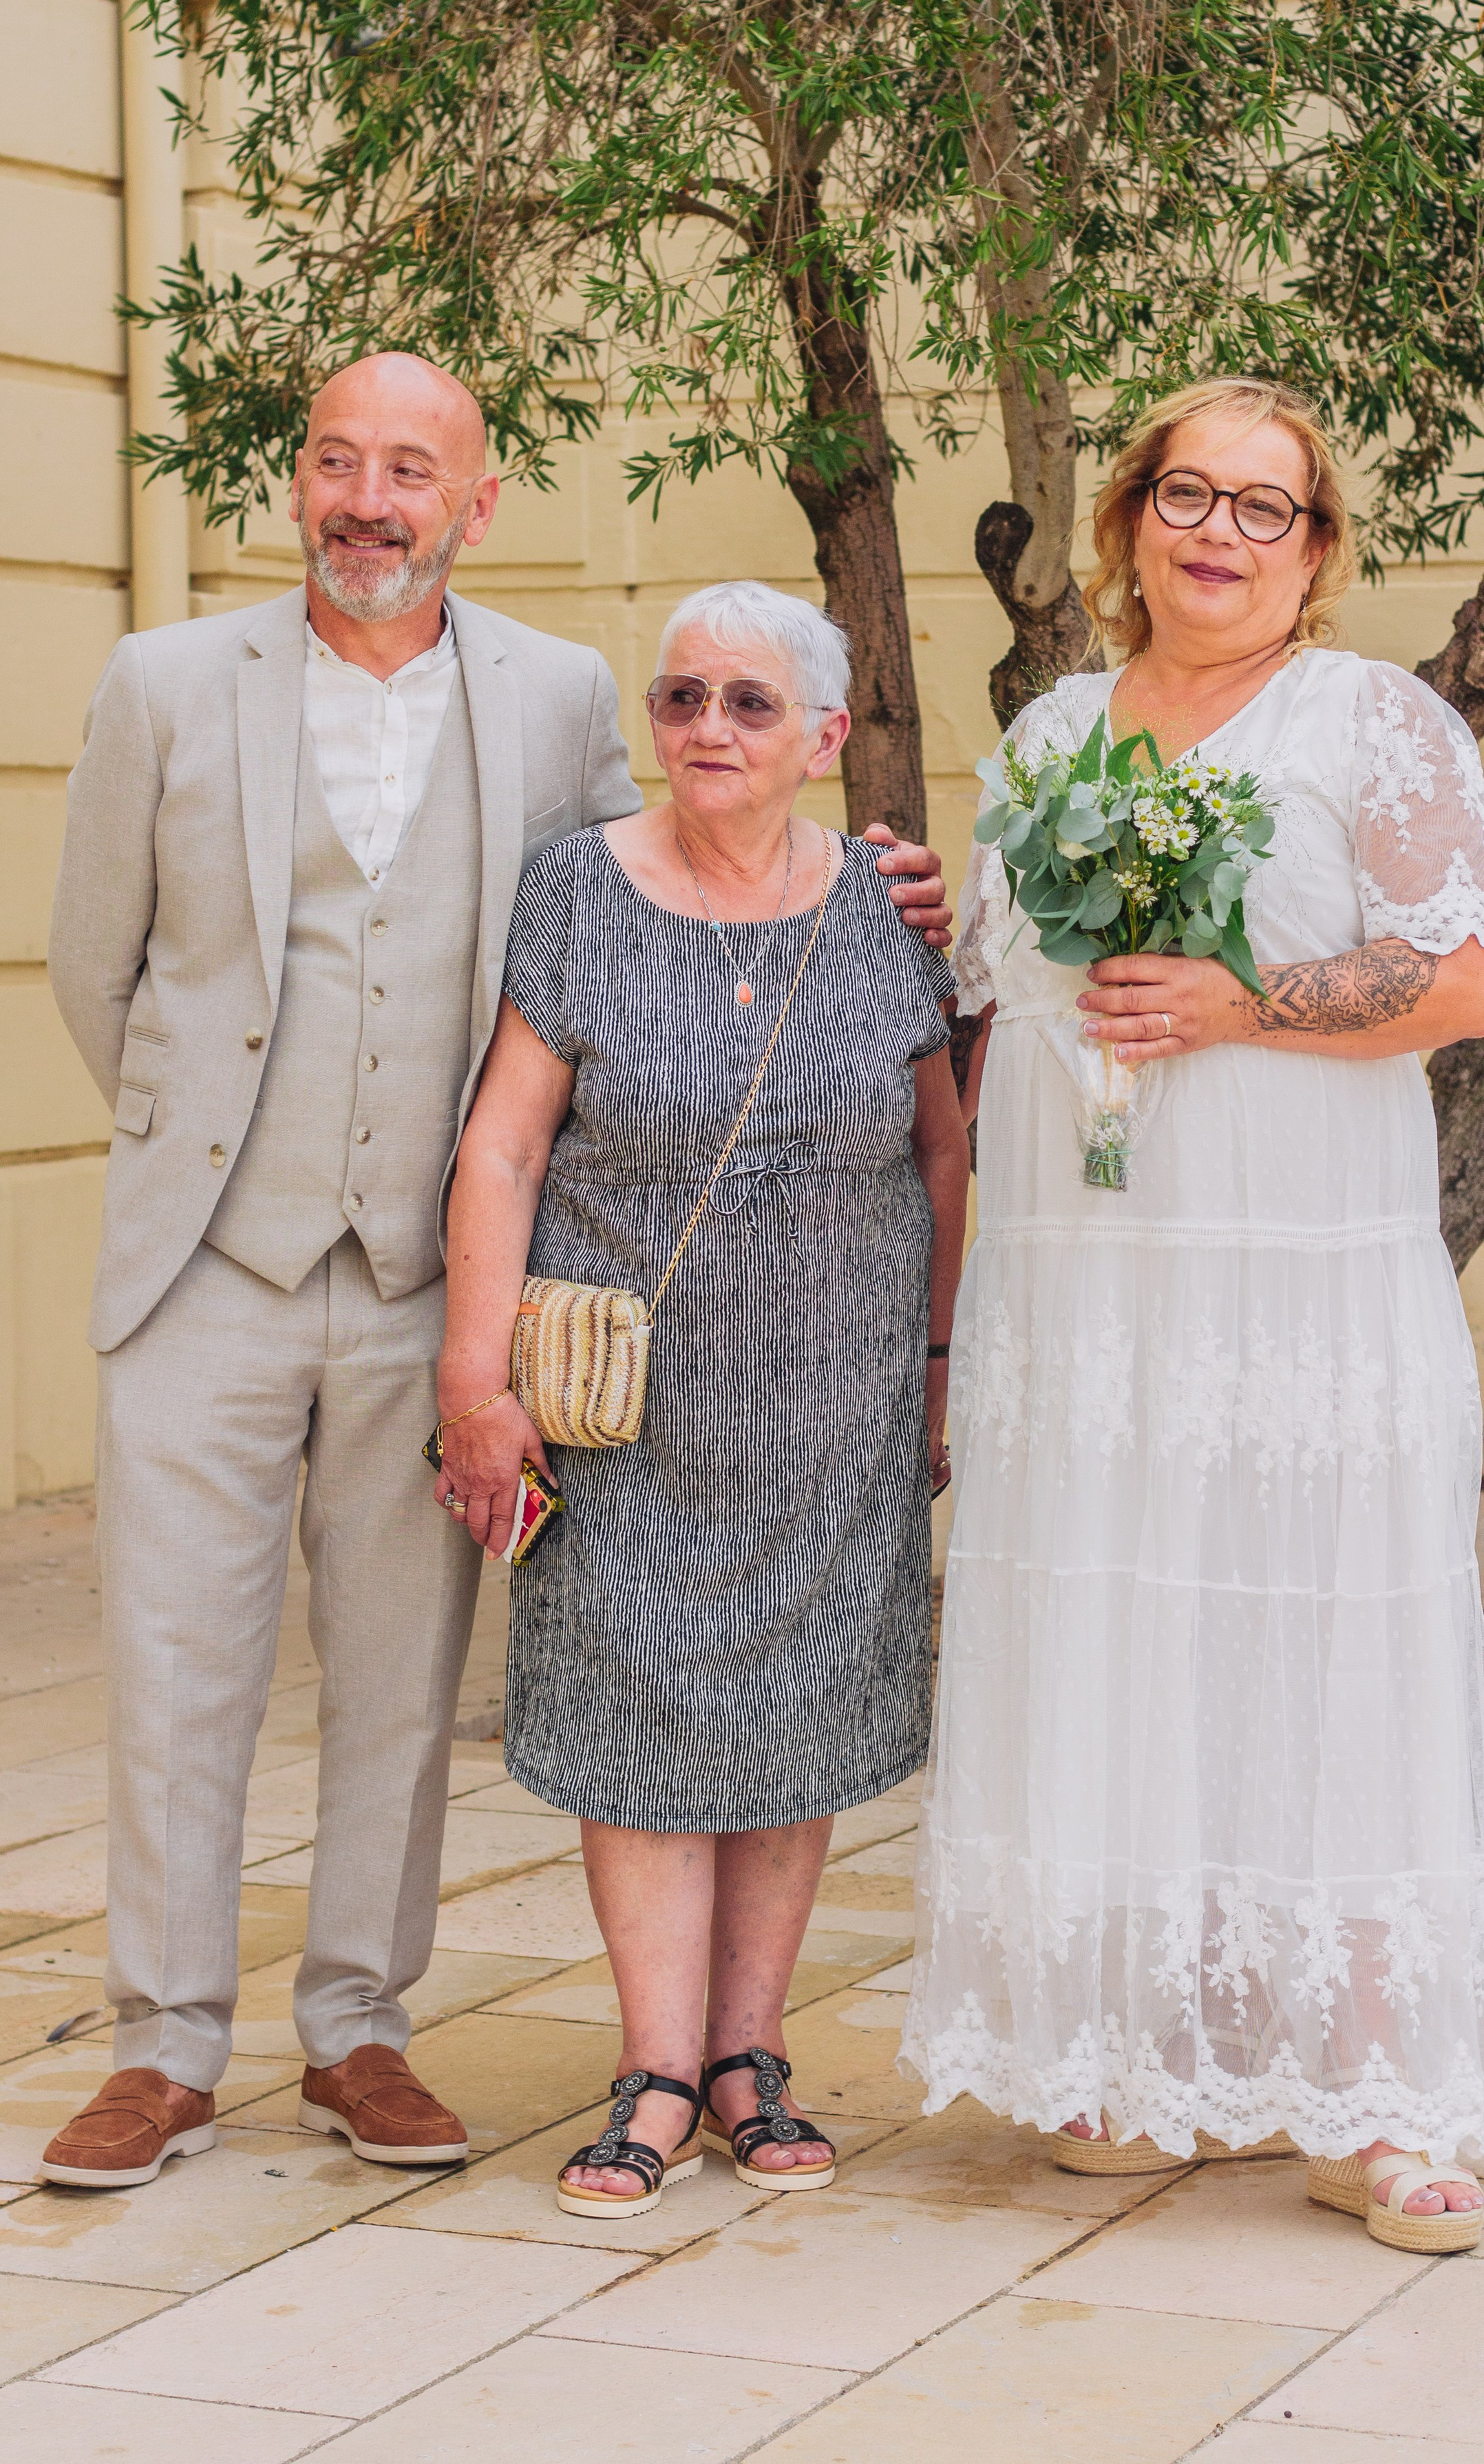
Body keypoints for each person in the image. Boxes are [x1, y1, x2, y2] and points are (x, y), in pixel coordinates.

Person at [41, 361, 951, 2190]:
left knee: (399, 1672)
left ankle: (360, 2028)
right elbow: (95, 964)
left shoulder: (552, 694)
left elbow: (660, 878)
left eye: (409, 469)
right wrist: (208, 1158)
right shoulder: (162, 684)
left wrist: (874, 884)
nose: (367, 499)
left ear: (478, 496)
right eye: (336, 463)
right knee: (175, 1654)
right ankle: (161, 2047)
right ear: (300, 484)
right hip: (208, 1261)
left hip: (431, 1280)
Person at [906, 375, 1484, 2257]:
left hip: (1298, 1289)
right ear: (1132, 520)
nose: (1221, 536)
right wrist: (913, 898)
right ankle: (1140, 2048)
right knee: (1116, 1622)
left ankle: (1372, 2091)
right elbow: (994, 990)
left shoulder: (1376, 722)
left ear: (1319, 548)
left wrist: (1247, 1004)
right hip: (1094, 1294)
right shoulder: (1053, 735)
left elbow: (1468, 981)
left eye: (1268, 508)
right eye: (1190, 496)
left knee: (1324, 1636)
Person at [436, 580, 971, 2219]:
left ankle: (751, 2059)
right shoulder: (578, 894)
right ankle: (654, 2070)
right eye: (680, 698)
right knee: (635, 1723)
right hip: (622, 1408)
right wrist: (473, 1376)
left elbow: (944, 1151)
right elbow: (506, 1141)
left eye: (748, 704)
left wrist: (943, 1366)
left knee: (795, 1720)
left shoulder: (890, 907)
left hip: (838, 1396)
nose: (707, 730)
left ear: (821, 737)